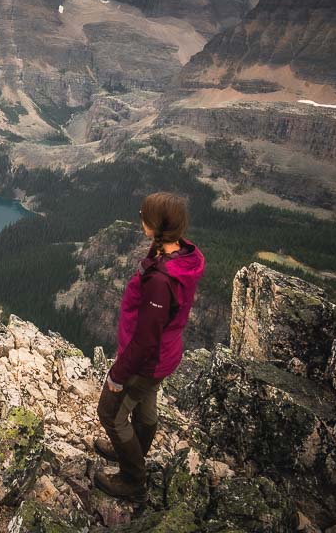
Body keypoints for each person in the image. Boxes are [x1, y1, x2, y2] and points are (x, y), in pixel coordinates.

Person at [93, 191, 205, 501]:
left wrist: (117, 374)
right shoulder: (181, 254)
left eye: (144, 216)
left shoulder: (161, 280)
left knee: (110, 413)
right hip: (165, 355)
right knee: (145, 405)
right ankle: (133, 452)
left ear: (156, 225)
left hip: (146, 360)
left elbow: (145, 339)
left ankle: (133, 480)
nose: (140, 218)